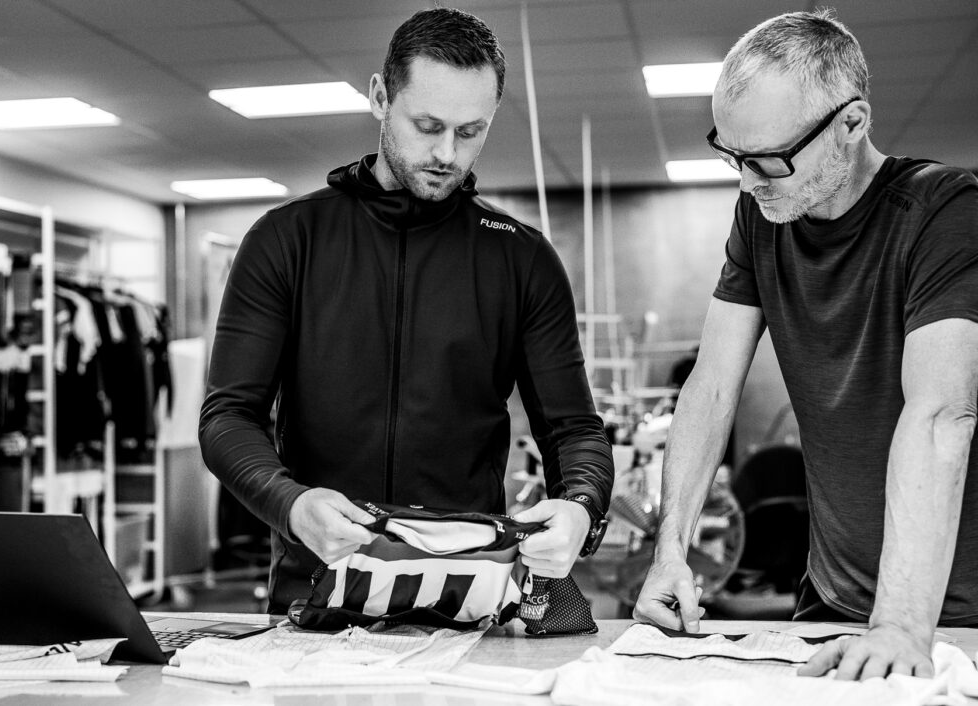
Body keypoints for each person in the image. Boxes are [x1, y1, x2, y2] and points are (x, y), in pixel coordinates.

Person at [199, 7, 613, 616]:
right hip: (315, 593)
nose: (447, 152)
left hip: (467, 599)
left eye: (471, 132)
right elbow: (228, 417)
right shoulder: (288, 239)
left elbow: (574, 429)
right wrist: (289, 503)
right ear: (379, 97)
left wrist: (580, 507)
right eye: (427, 125)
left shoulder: (520, 258)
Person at [633, 9, 978, 682]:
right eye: (733, 157)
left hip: (951, 615)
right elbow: (710, 385)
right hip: (831, 603)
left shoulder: (945, 210)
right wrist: (669, 550)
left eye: (768, 161)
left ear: (851, 124)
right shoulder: (763, 216)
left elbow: (942, 414)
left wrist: (904, 625)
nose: (747, 182)